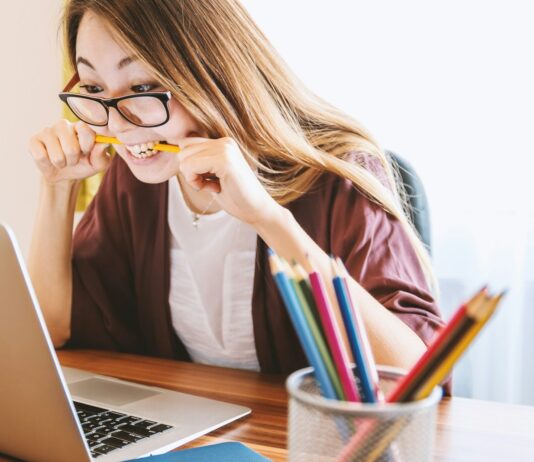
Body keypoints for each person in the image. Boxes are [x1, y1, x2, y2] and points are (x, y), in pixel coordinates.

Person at [28, 0, 445, 377]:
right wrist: (57, 188)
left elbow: (416, 376)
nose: (117, 124)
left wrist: (267, 218)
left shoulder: (338, 175)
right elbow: (53, 328)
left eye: (142, 88)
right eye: (94, 89)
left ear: (211, 72)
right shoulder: (138, 179)